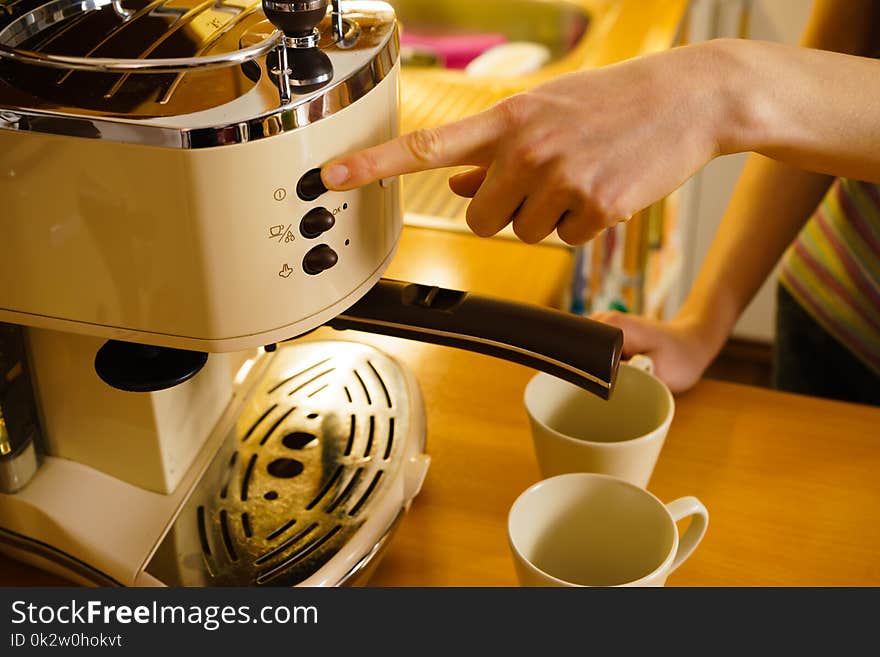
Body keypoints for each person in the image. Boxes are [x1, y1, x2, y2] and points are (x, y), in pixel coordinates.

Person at [320, 0, 880, 405]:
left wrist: (725, 87)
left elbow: (774, 97)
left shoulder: (728, 86)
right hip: (830, 299)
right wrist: (705, 321)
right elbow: (834, 62)